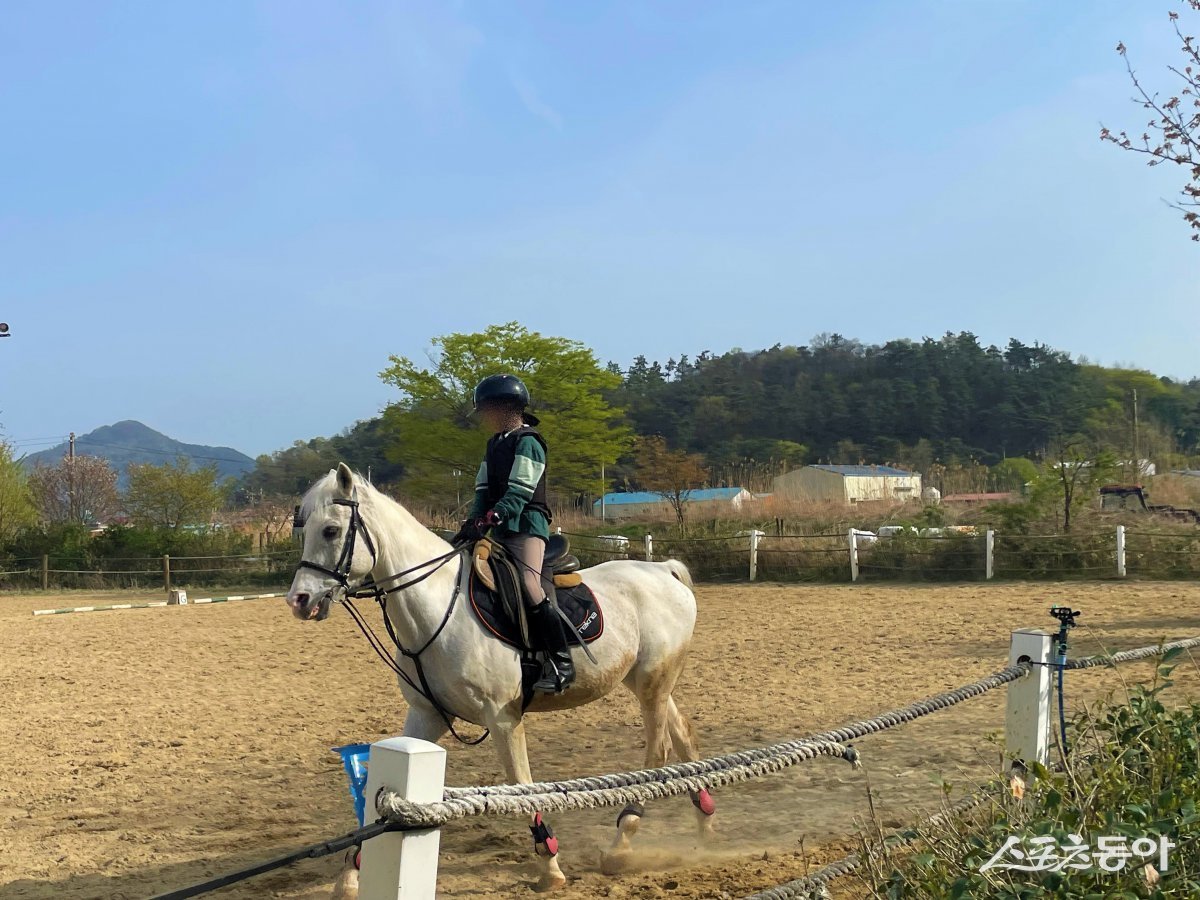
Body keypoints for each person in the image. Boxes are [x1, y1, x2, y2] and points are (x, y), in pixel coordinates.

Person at [453, 374, 575, 694]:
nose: (483, 417)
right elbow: (482, 491)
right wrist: (473, 521)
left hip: (527, 526)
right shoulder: (494, 444)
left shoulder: (529, 441)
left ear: (506, 407)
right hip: (502, 528)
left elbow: (520, 491)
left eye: (486, 410)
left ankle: (562, 662)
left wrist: (494, 515)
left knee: (528, 583)